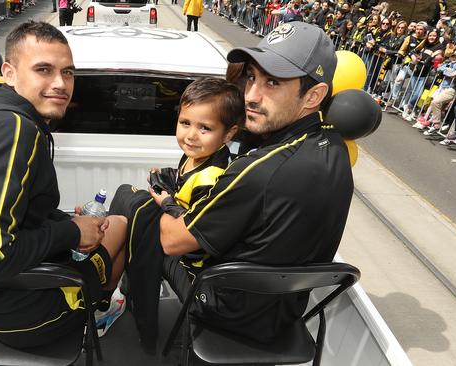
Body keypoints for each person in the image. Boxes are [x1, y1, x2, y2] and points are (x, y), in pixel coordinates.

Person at [144, 21, 352, 345]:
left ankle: (136, 327)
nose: (251, 96)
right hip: (284, 312)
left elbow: (173, 241)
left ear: (313, 95)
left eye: (272, 82)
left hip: (226, 310)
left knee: (142, 217)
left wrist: (166, 200)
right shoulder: (334, 147)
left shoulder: (261, 170)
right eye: (252, 77)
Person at [0, 21, 127, 349]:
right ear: (9, 73)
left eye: (68, 72)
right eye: (44, 69)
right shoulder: (13, 131)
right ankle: (94, 315)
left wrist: (65, 223)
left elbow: (19, 213)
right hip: (19, 315)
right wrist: (73, 232)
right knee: (121, 226)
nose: (61, 83)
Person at [109, 77, 243, 350]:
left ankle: (127, 300)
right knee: (130, 203)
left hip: (193, 261)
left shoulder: (213, 175)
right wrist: (166, 177)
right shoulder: (195, 155)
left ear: (229, 134)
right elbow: (182, 182)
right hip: (176, 235)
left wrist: (167, 203)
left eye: (205, 128)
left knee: (139, 216)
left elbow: (191, 223)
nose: (191, 135)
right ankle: (124, 288)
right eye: (185, 123)